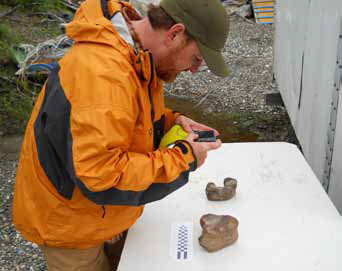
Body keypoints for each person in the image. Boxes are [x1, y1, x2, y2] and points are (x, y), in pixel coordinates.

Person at [13, 0, 230, 270]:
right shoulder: (102, 74)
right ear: (174, 34)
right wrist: (183, 158)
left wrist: (174, 121)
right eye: (197, 58)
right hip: (72, 226)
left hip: (104, 213)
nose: (196, 69)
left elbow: (125, 119)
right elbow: (100, 177)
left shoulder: (135, 53)